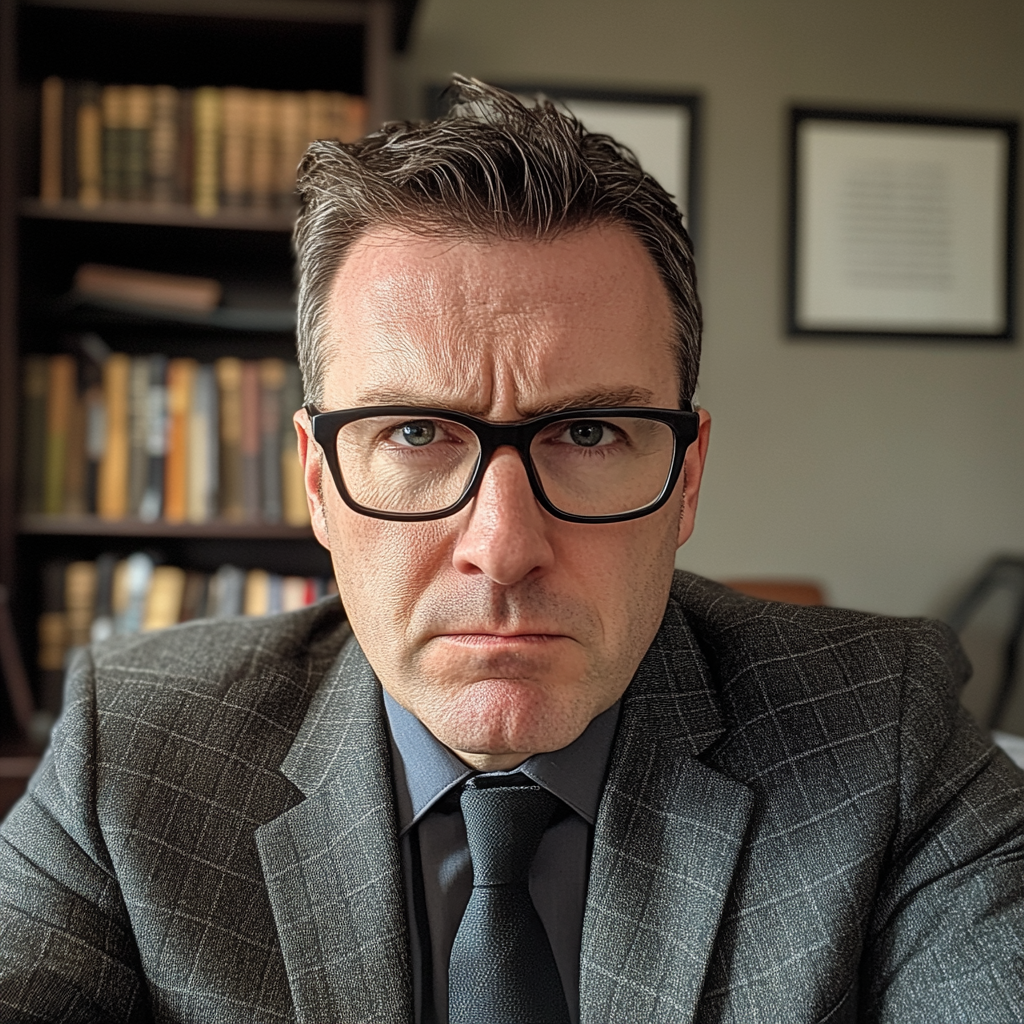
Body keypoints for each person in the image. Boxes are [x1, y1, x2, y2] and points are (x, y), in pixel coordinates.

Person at [1, 76, 1022, 1024]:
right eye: (413, 432)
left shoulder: (886, 735)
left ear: (688, 478)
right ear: (317, 479)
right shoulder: (132, 754)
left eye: (586, 434)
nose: (503, 547)